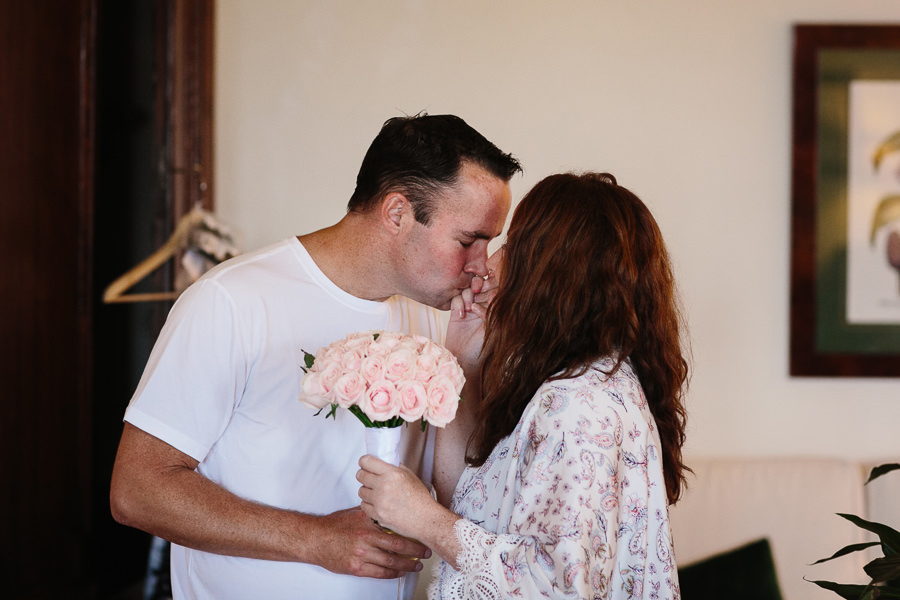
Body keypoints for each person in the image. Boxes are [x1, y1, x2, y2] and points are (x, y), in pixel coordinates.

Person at [109, 113, 521, 600]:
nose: (482, 267)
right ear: (396, 213)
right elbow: (136, 490)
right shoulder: (233, 301)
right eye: (469, 240)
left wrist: (464, 361)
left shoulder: (438, 320)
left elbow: (457, 501)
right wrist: (314, 538)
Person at [357, 172, 690, 599]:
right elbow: (470, 504)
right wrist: (464, 361)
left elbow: (549, 587)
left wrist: (422, 518)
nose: (490, 265)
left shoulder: (578, 407)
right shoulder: (574, 380)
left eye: (512, 246)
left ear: (551, 271)